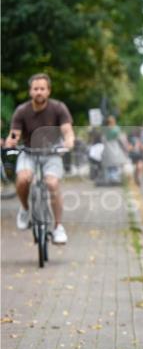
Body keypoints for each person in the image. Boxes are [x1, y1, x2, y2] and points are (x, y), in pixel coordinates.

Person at [4, 73, 75, 244]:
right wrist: (11, 142)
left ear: (48, 91)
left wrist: (68, 142)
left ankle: (58, 227)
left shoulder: (58, 108)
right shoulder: (22, 111)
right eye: (35, 89)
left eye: (42, 89)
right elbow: (14, 134)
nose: (39, 92)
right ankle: (25, 209)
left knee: (52, 184)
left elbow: (67, 131)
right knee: (23, 179)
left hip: (52, 153)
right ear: (30, 91)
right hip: (28, 152)